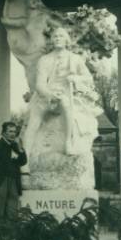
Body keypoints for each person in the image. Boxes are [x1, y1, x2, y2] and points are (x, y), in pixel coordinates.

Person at [23, 27, 100, 157]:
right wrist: (50, 95)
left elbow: (88, 78)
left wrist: (75, 78)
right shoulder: (44, 59)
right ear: (52, 41)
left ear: (66, 41)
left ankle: (68, 142)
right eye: (55, 36)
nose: (58, 38)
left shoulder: (75, 58)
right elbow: (40, 84)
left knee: (66, 104)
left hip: (66, 93)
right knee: (33, 121)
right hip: (47, 94)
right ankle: (25, 157)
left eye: (61, 36)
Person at [0, 122, 27, 221]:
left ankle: (11, 235)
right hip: (0, 182)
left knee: (12, 212)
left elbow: (23, 162)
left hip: (14, 182)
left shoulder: (16, 146)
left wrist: (21, 150)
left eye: (14, 132)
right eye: (10, 131)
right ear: (3, 133)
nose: (13, 134)